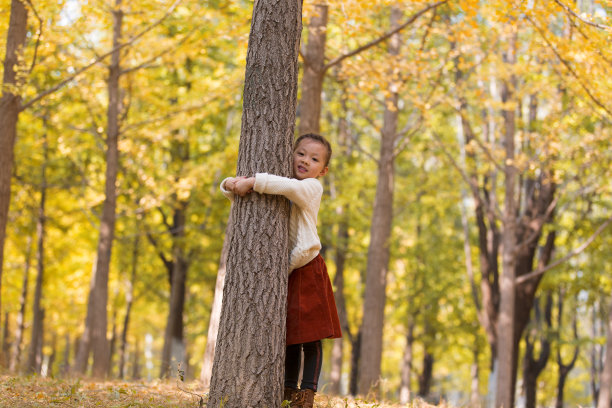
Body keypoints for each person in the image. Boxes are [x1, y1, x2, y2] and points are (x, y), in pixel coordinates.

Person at [220, 133, 342, 408]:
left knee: (310, 336)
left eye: (314, 159)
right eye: (300, 153)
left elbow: (287, 187)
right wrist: (229, 184)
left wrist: (252, 181)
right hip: (288, 271)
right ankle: (288, 389)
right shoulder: (280, 186)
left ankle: (307, 393)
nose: (304, 161)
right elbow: (242, 195)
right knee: (288, 335)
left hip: (307, 267)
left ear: (322, 170)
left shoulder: (311, 188)